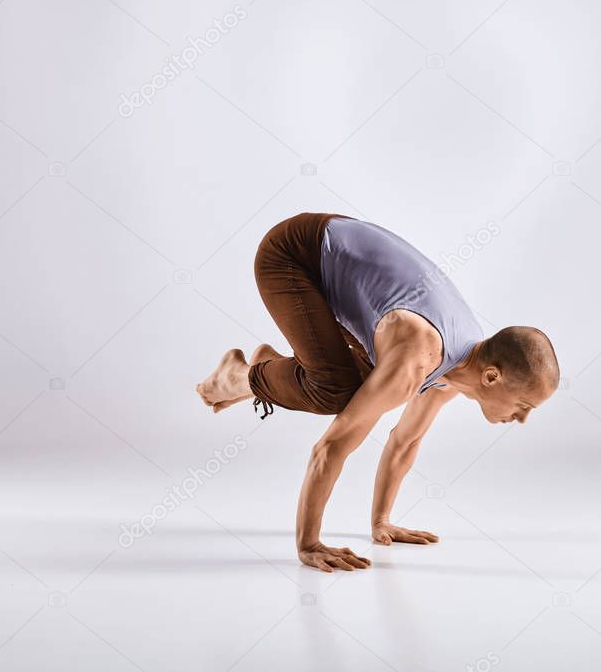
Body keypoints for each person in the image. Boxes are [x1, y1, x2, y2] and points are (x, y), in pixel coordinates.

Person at [197, 213, 559, 572]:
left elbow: (404, 441)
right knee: (336, 393)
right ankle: (241, 376)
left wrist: (381, 522)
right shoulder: (419, 358)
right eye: (525, 405)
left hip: (339, 262)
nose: (523, 418)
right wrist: (309, 544)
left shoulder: (458, 367)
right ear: (492, 377)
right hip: (293, 254)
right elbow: (331, 447)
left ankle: (269, 367)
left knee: (367, 383)